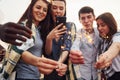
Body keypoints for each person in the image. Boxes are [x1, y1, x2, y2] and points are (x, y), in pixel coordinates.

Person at [6, 0, 59, 80]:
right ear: (31, 8)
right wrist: (39, 62)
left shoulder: (39, 30)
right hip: (23, 75)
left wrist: (49, 38)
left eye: (45, 10)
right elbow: (19, 51)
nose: (41, 11)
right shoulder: (23, 26)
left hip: (35, 76)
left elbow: (47, 52)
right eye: (38, 7)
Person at [69, 6, 101, 80]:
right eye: (83, 18)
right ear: (79, 20)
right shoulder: (78, 34)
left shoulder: (99, 32)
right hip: (82, 75)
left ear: (94, 18)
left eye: (89, 17)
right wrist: (75, 52)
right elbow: (75, 45)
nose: (86, 21)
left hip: (96, 73)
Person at [44, 0, 72, 80]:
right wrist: (49, 38)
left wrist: (58, 64)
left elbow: (67, 47)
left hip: (63, 71)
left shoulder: (69, 26)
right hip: (48, 72)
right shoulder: (44, 28)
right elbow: (47, 53)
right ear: (50, 9)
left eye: (61, 8)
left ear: (65, 10)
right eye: (54, 8)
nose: (58, 11)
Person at [95, 12, 120, 80]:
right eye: (98, 25)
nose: (99, 28)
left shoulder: (117, 36)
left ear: (110, 25)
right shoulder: (104, 40)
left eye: (103, 25)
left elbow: (116, 46)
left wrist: (105, 57)